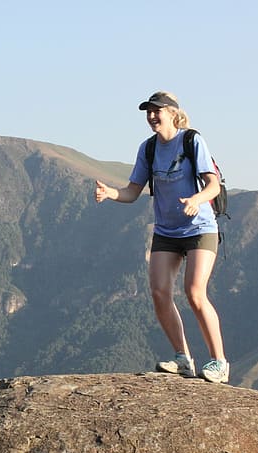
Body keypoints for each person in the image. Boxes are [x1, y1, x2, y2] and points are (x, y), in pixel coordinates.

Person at [94, 91, 229, 383]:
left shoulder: (192, 141)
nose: (152, 116)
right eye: (148, 112)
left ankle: (219, 362)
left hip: (199, 228)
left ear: (172, 113)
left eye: (157, 111)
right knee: (159, 294)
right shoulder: (149, 149)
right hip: (167, 230)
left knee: (194, 292)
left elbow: (213, 185)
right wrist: (110, 194)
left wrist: (196, 199)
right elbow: (132, 191)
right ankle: (183, 358)